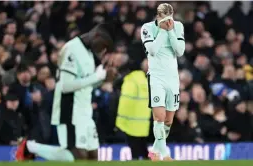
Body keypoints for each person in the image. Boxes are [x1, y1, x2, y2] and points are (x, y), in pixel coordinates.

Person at [15, 22, 116, 161]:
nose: (103, 51)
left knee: (93, 158)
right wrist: (95, 77)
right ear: (96, 36)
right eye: (103, 46)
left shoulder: (89, 53)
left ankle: (30, 147)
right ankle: (30, 147)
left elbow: (84, 85)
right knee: (76, 157)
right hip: (70, 110)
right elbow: (66, 86)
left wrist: (102, 79)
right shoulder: (72, 49)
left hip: (85, 110)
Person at [141, 3, 185, 161]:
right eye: (164, 18)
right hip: (156, 77)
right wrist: (161, 30)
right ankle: (164, 154)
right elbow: (152, 50)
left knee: (168, 121)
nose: (168, 21)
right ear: (158, 16)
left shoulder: (177, 26)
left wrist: (171, 32)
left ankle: (154, 150)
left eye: (170, 18)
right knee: (159, 118)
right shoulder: (147, 28)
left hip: (172, 78)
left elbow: (179, 51)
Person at [116, 59, 151, 160]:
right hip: (143, 123)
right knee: (143, 150)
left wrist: (120, 122)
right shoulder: (145, 80)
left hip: (131, 123)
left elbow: (125, 102)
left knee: (136, 151)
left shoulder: (132, 80)